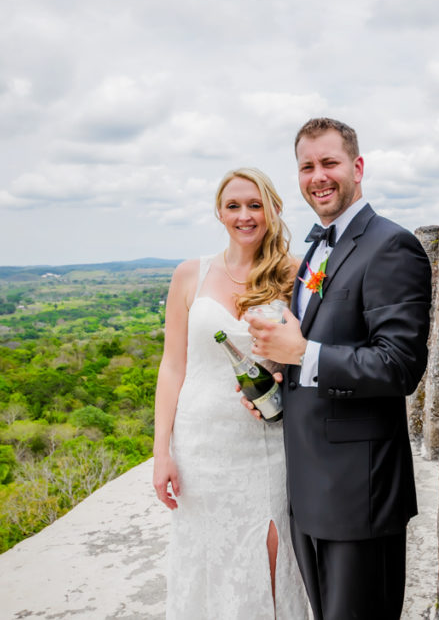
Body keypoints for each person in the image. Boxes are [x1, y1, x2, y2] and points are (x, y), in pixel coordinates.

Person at [246, 118, 432, 619]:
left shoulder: (391, 246)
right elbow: (312, 349)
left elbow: (399, 366)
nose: (317, 176)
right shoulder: (314, 249)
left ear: (357, 166)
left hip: (359, 492)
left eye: (329, 163)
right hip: (309, 486)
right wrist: (277, 375)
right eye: (307, 166)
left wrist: (302, 354)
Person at [152, 168, 310, 619]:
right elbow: (172, 366)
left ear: (273, 210)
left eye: (255, 205)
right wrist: (161, 451)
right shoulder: (190, 275)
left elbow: (308, 350)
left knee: (271, 547)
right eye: (234, 206)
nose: (245, 215)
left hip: (266, 440)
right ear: (219, 213)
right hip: (201, 443)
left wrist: (284, 365)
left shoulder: (294, 275)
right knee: (207, 552)